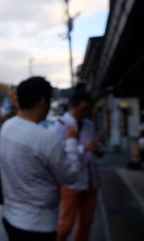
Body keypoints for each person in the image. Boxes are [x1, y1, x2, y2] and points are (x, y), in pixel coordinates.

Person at [0, 76, 81, 241]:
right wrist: (71, 141)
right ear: (43, 101)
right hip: (39, 227)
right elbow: (71, 176)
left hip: (10, 218)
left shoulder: (7, 127)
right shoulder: (46, 138)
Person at [52, 92, 101, 241]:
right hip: (71, 181)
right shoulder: (60, 124)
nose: (86, 113)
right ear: (73, 106)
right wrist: (83, 147)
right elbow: (58, 152)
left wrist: (96, 149)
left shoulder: (89, 124)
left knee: (86, 222)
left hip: (91, 178)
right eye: (83, 109)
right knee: (66, 223)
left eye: (88, 110)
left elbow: (92, 147)